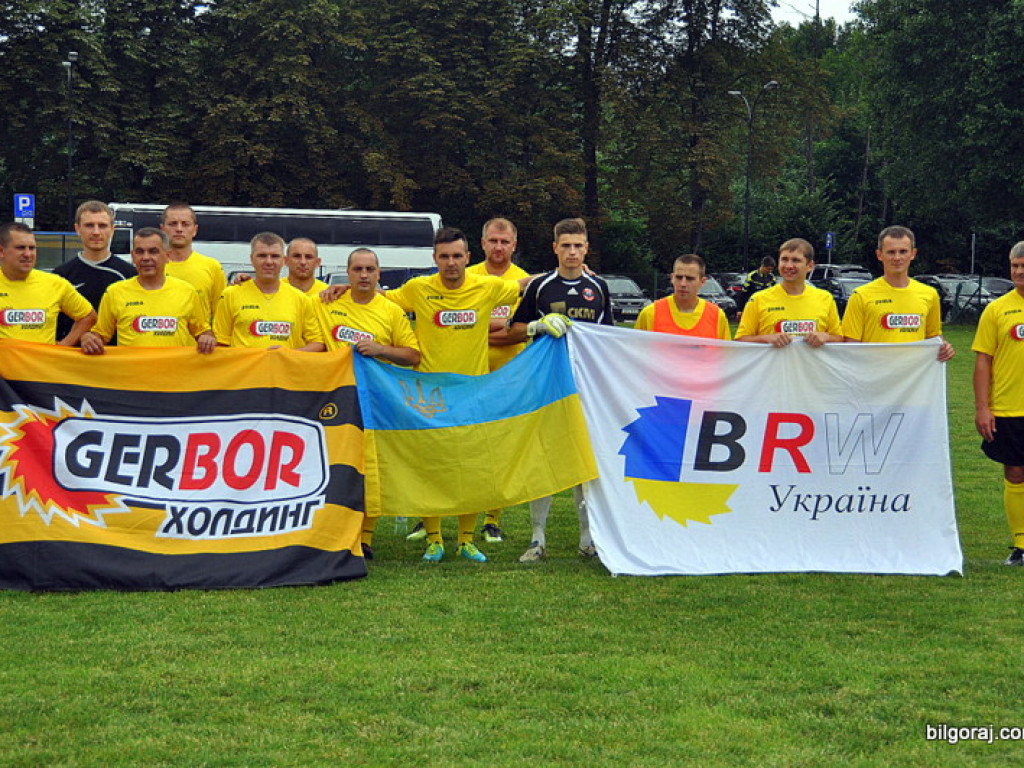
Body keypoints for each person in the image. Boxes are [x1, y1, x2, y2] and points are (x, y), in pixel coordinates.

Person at [386, 226, 524, 563]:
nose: (451, 262)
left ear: (467, 258)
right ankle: (434, 540)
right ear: (434, 258)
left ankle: (466, 541)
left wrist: (572, 271)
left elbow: (525, 285)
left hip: (472, 393)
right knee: (430, 468)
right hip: (429, 394)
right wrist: (341, 289)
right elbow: (377, 299)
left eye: (457, 256)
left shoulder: (487, 286)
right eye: (444, 256)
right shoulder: (417, 288)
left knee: (471, 469)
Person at [508, 217, 614, 562]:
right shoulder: (540, 286)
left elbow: (609, 338)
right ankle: (537, 538)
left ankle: (587, 539)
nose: (571, 252)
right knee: (545, 460)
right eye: (565, 245)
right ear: (555, 248)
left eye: (577, 246)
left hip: (586, 387)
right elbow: (513, 328)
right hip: (547, 385)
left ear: (586, 249)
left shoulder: (599, 288)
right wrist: (537, 325)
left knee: (584, 460)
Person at [316, 247, 420, 559]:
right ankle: (330, 533)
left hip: (374, 401)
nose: (363, 275)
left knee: (368, 469)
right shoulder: (326, 303)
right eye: (357, 269)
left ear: (378, 273)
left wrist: (381, 349)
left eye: (369, 270)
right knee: (334, 468)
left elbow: (413, 355)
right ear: (347, 273)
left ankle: (364, 539)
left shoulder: (390, 311)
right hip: (333, 398)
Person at [465, 217, 531, 543]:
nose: (498, 247)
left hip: (508, 376)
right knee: (461, 447)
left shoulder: (524, 281)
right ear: (482, 243)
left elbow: (519, 331)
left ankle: (492, 520)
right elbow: (453, 327)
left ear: (514, 245)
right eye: (493, 240)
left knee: (499, 450)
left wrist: (474, 329)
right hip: (468, 374)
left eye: (505, 242)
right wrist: (488, 329)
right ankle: (432, 518)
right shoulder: (467, 277)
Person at [80, 228, 215, 355]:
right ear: (133, 256)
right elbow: (100, 335)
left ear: (167, 256)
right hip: (131, 372)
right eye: (140, 252)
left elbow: (203, 332)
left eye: (153, 251)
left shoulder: (187, 292)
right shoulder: (115, 292)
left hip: (174, 371)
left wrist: (207, 338)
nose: (146, 257)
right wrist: (88, 338)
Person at [972, 241, 1024, 565]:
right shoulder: (996, 309)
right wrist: (982, 407)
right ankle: (1022, 544)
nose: (1018, 272)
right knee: (1016, 472)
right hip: (1009, 407)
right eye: (1014, 266)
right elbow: (983, 361)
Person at [841, 225, 955, 362]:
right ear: (879, 255)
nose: (897, 257)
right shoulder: (861, 295)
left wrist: (944, 348)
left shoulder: (929, 294)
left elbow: (933, 338)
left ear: (913, 254)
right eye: (891, 252)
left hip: (913, 374)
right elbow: (850, 347)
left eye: (903, 251)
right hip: (875, 373)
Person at [213, 232, 325, 351]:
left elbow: (317, 342)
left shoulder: (301, 299)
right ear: (252, 259)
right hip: (245, 364)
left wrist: (289, 354)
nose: (269, 262)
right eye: (262, 256)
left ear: (283, 260)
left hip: (285, 364)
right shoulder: (230, 295)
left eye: (275, 256)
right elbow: (220, 342)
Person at [0, 222, 96, 345]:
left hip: (42, 358)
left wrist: (63, 347)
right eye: (20, 248)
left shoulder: (55, 284)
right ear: (1, 251)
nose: (28, 254)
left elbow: (88, 316)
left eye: (32, 248)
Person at [53, 201, 136, 341]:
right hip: (73, 353)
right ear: (77, 229)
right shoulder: (60, 276)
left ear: (112, 229)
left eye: (102, 226)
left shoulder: (129, 274)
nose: (96, 232)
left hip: (117, 353)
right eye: (89, 225)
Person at [735, 238, 841, 347]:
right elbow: (740, 342)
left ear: (810, 266)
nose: (789, 266)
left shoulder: (825, 298)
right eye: (784, 259)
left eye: (796, 260)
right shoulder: (758, 299)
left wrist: (826, 337)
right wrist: (766, 338)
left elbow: (840, 339)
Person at [634, 254, 731, 339]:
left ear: (702, 282)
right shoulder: (650, 314)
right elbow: (635, 350)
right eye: (679, 277)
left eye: (690, 279)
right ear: (672, 278)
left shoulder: (716, 317)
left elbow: (726, 353)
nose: (683, 283)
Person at [160, 203, 227, 320]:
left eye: (185, 224)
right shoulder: (152, 267)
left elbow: (221, 314)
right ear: (162, 229)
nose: (179, 229)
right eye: (173, 224)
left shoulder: (212, 267)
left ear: (195, 230)